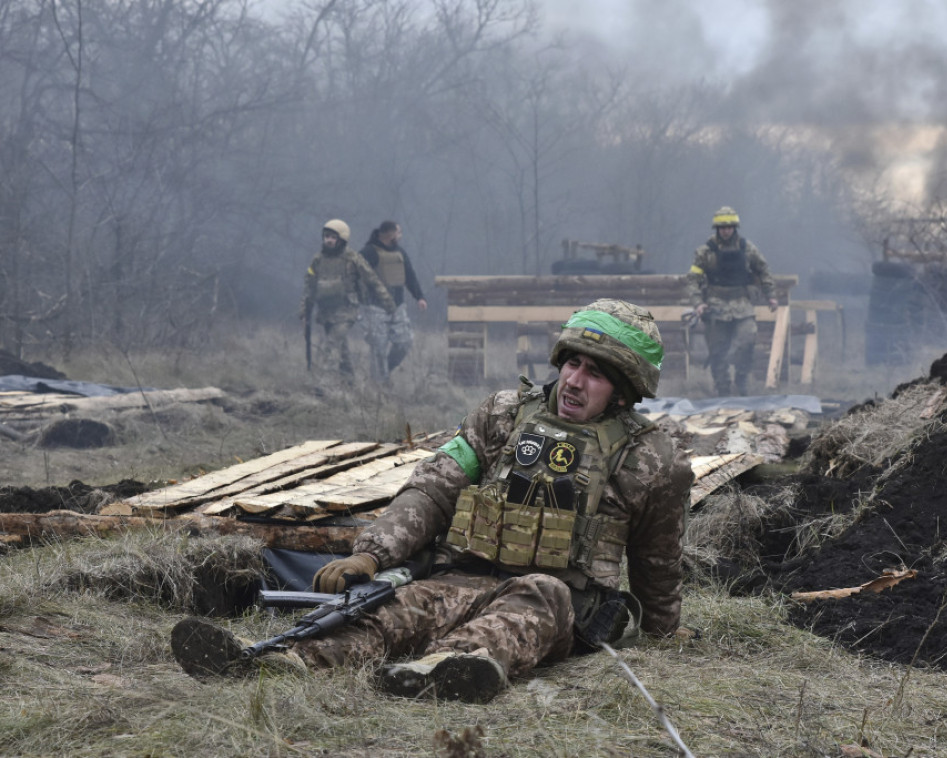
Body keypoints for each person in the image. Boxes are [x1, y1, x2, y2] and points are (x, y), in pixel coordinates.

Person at [171, 299, 694, 703]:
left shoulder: (653, 460)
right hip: (458, 579)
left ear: (624, 392)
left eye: (595, 373)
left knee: (538, 594)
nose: (575, 382)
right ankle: (284, 662)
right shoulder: (503, 416)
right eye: (573, 364)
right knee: (392, 611)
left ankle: (444, 670)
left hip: (561, 603)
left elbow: (657, 561)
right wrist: (372, 553)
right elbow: (434, 488)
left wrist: (663, 633)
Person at [687, 206, 778, 396]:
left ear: (735, 228)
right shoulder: (705, 252)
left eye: (729, 227)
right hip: (715, 305)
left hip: (742, 304)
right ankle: (723, 391)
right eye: (722, 227)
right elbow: (693, 280)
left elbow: (763, 270)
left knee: (747, 339)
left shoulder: (748, 249)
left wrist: (770, 295)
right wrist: (698, 303)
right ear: (717, 229)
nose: (726, 230)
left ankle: (741, 379)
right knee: (717, 350)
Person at [300, 219, 395, 376]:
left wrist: (388, 303)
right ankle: (349, 381)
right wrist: (304, 311)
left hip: (347, 311)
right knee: (342, 350)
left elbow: (373, 280)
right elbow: (309, 286)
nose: (329, 240)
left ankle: (325, 384)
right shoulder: (317, 260)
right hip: (326, 311)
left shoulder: (353, 259)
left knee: (332, 344)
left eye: (333, 237)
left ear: (341, 239)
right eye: (326, 236)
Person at [358, 221, 428, 382]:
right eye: (398, 232)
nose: (400, 236)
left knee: (405, 342)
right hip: (374, 307)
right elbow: (354, 277)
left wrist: (420, 297)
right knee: (378, 348)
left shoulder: (400, 253)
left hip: (398, 307)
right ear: (389, 234)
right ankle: (379, 387)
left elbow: (410, 276)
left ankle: (386, 371)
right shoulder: (368, 253)